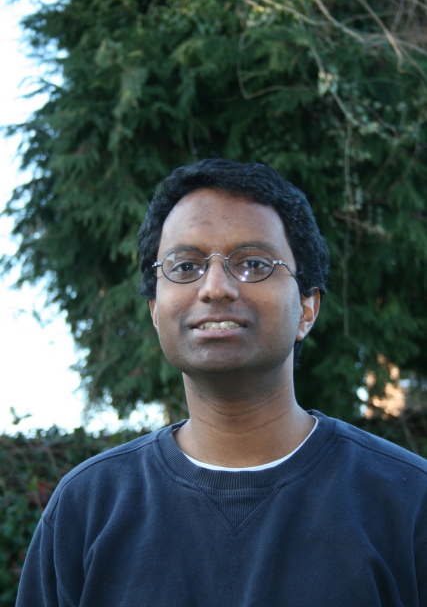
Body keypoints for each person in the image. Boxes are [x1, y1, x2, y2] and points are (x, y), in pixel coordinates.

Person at [17, 159, 427, 607]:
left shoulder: (408, 501)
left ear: (307, 308)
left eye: (253, 263)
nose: (215, 288)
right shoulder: (87, 507)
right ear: (155, 310)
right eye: (185, 266)